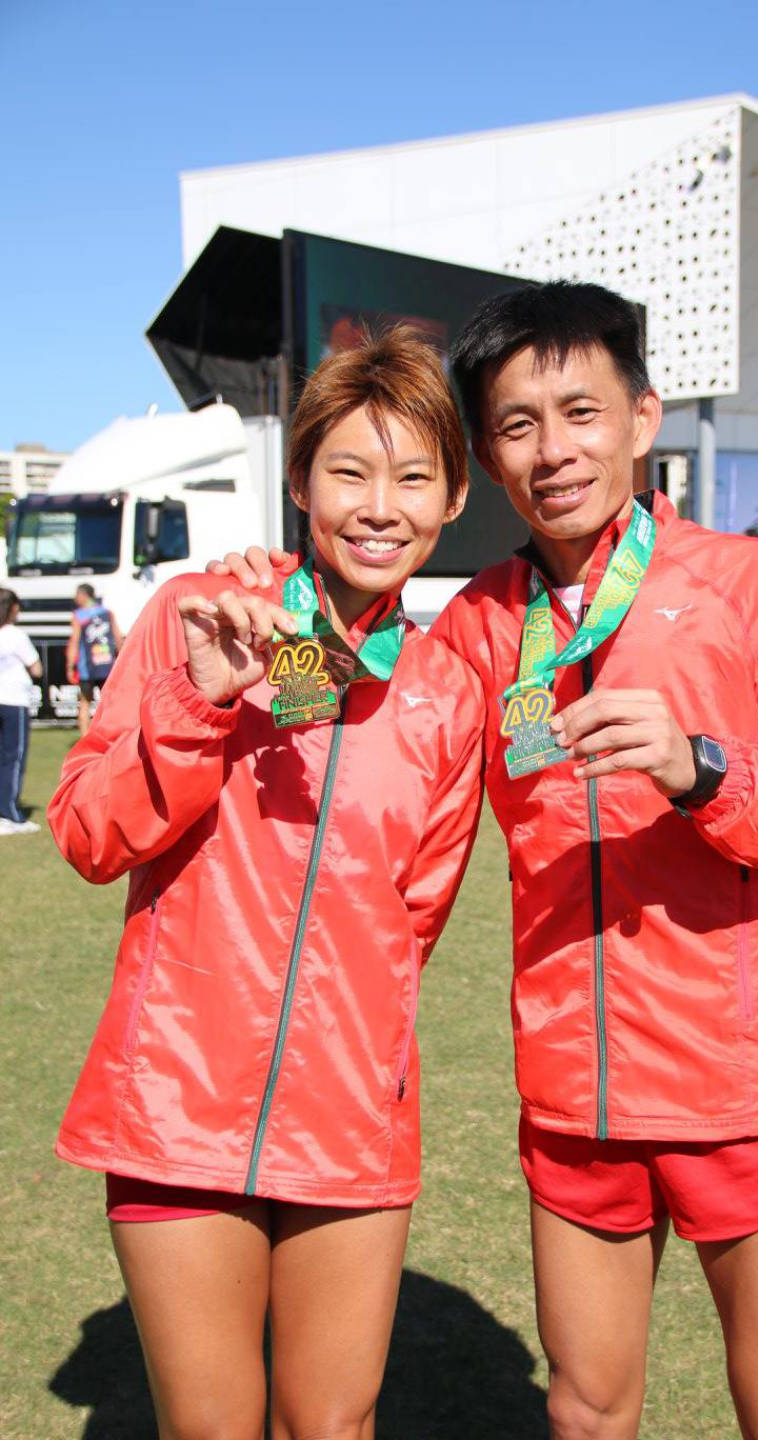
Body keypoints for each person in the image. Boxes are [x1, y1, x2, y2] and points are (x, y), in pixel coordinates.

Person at [214, 281, 758, 1440]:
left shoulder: (749, 584)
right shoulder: (483, 620)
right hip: (575, 1093)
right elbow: (367, 699)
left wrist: (704, 769)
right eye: (518, 424)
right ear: (489, 449)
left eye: (580, 412)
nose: (554, 450)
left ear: (643, 417)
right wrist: (256, 642)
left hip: (744, 1076)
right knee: (581, 1409)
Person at [47, 329, 484, 1440]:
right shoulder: (201, 612)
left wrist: (358, 1038)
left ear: (453, 497)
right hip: (176, 1101)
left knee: (334, 1427)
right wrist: (200, 700)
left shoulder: (447, 691)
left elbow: (415, 915)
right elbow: (90, 834)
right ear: (298, 482)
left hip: (350, 1116)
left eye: (413, 476)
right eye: (348, 470)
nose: (379, 505)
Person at [0, 587, 43, 835]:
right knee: (14, 757)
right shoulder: (15, 635)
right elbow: (36, 668)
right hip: (13, 701)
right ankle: (11, 815)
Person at [66, 582, 123, 736]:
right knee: (109, 703)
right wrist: (122, 658)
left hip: (88, 668)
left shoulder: (79, 615)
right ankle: (111, 736)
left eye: (77, 595)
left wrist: (70, 665)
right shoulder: (107, 613)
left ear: (84, 595)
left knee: (84, 703)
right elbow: (118, 638)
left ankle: (85, 739)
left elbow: (75, 641)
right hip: (107, 665)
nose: (75, 599)